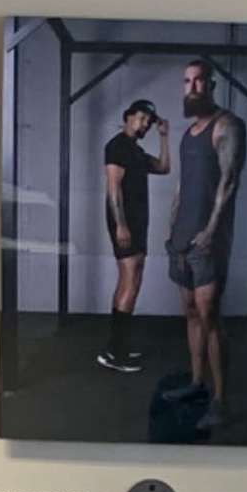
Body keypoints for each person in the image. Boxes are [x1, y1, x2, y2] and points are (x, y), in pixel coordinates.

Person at [164, 59, 246, 417]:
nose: (192, 87)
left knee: (210, 316)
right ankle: (197, 384)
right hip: (181, 238)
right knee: (191, 314)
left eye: (199, 81)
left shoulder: (226, 125)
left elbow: (229, 182)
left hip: (207, 239)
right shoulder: (187, 134)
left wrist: (211, 231)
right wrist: (171, 229)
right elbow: (182, 186)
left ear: (212, 85)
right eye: (187, 81)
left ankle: (221, 398)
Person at [98, 99, 164, 372]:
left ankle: (119, 346)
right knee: (128, 280)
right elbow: (114, 189)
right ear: (128, 117)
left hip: (139, 222)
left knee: (133, 280)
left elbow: (164, 167)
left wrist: (164, 138)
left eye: (149, 121)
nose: (145, 124)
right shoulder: (117, 146)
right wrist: (120, 225)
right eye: (141, 119)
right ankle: (115, 353)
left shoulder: (136, 151)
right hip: (125, 223)